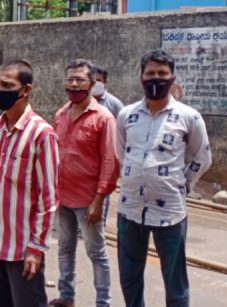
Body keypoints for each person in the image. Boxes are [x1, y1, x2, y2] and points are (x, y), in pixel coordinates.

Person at [115, 49, 211, 307]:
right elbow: (121, 153)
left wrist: (182, 184)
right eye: (150, 73)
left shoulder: (189, 117)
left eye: (162, 74)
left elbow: (202, 158)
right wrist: (139, 176)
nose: (155, 78)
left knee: (174, 280)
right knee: (129, 275)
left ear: (172, 78)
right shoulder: (127, 115)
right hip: (130, 209)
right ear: (141, 77)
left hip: (170, 211)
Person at [0, 60, 59, 307]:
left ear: (26, 90)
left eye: (7, 85)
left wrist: (37, 248)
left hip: (22, 249)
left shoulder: (42, 135)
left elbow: (48, 198)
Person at [49, 59, 118, 307]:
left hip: (89, 200)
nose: (74, 84)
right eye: (70, 79)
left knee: (96, 252)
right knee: (64, 248)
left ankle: (103, 302)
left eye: (80, 79)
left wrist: (99, 199)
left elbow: (110, 161)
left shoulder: (103, 118)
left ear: (92, 83)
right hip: (63, 196)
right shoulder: (61, 114)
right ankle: (66, 296)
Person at [92, 66, 123, 220]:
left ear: (105, 82)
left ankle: (100, 219)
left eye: (99, 81)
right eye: (93, 80)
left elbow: (124, 130)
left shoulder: (114, 104)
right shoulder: (81, 101)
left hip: (107, 154)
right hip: (89, 155)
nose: (95, 84)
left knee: (104, 186)